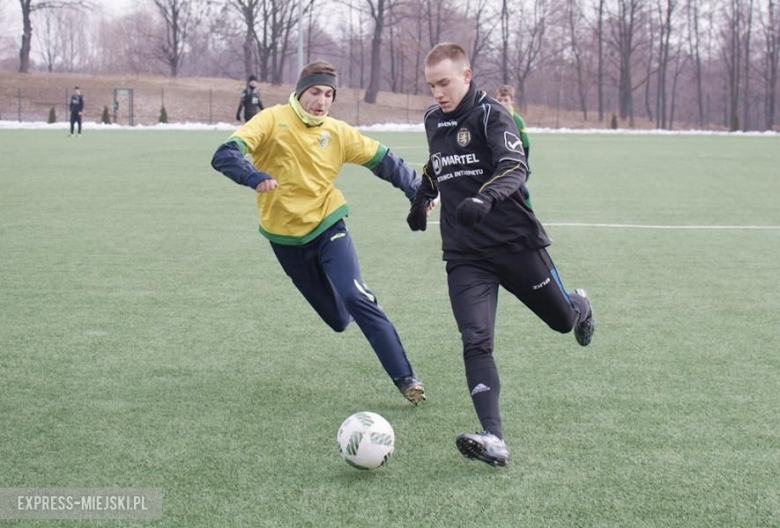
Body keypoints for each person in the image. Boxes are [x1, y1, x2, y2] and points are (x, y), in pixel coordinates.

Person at [407, 43, 595, 466]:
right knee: (476, 341)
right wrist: (421, 200)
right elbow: (437, 164)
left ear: (467, 75)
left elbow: (514, 165)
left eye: (445, 83)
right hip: (464, 254)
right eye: (431, 85)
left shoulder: (493, 114)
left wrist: (485, 198)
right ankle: (494, 439)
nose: (437, 93)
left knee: (561, 323)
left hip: (514, 243)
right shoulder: (433, 120)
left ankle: (578, 306)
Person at [212, 60, 426, 405]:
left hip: (329, 226)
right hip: (284, 239)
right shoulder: (272, 119)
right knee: (339, 319)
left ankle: (406, 380)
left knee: (357, 297)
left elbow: (386, 161)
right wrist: (254, 176)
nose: (322, 100)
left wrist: (417, 191)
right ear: (300, 91)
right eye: (315, 91)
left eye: (329, 94)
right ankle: (354, 307)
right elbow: (224, 155)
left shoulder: (338, 132)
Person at [495, 84, 530, 164]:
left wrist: (525, 164)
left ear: (512, 101)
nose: (502, 103)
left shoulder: (518, 121)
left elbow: (525, 144)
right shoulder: (489, 118)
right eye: (499, 100)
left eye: (506, 100)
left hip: (513, 161)